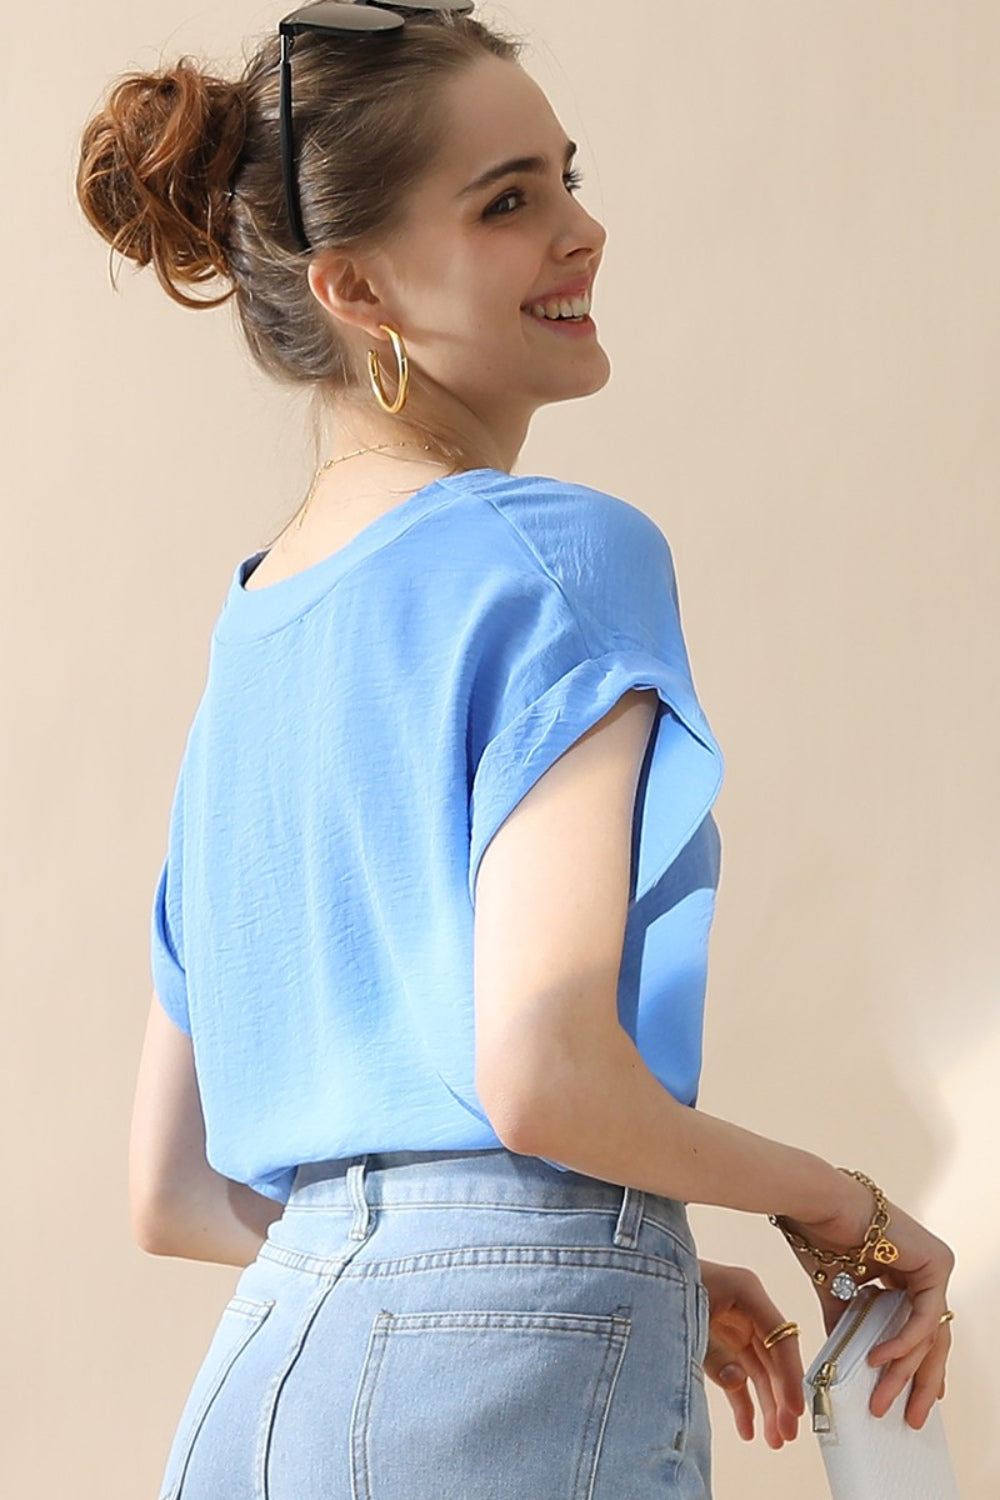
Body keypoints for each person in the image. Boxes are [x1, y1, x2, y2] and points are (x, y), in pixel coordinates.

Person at [76, 4, 956, 1496]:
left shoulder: (252, 642)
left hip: (257, 1379)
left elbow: (172, 1190)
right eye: (509, 203)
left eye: (564, 176)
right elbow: (544, 1074)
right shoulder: (560, 557)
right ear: (357, 286)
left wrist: (626, 1270)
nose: (584, 228)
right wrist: (840, 1206)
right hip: (497, 1378)